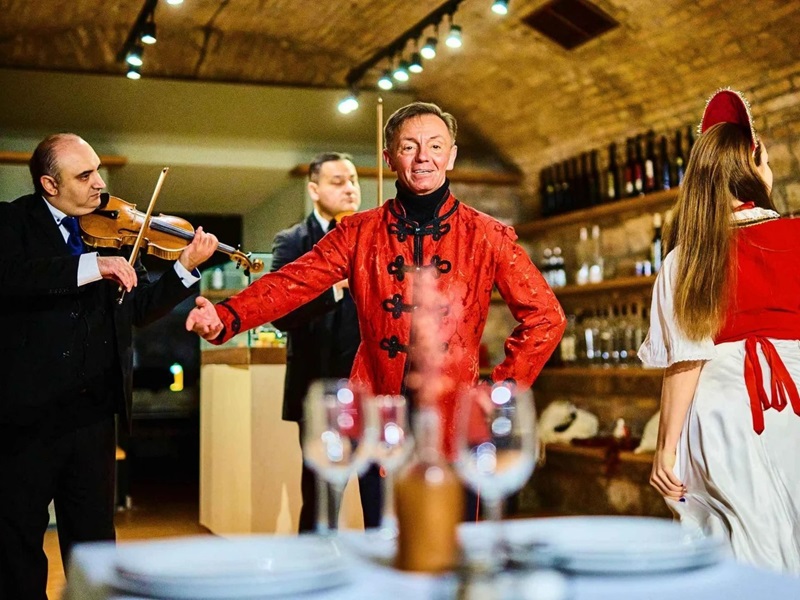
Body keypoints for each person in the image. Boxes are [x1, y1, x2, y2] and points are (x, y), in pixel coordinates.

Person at [187, 101, 565, 467]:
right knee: (379, 514)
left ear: (450, 156)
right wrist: (227, 315)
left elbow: (546, 317)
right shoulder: (358, 231)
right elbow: (293, 281)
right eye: (409, 147)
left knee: (451, 516)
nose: (423, 157)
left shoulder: (487, 234)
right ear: (389, 158)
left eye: (435, 146)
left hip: (457, 421)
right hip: (378, 417)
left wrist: (498, 393)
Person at [0, 133, 218, 599]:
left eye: (98, 170)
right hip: (26, 418)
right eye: (84, 176)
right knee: (17, 542)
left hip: (94, 416)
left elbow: (136, 308)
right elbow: (12, 275)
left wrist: (184, 266)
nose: (100, 183)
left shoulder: (109, 230)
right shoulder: (12, 221)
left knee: (95, 542)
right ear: (49, 184)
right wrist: (91, 265)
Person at [640, 89, 800, 573]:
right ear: (755, 163)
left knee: (737, 558)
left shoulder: (686, 260)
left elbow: (686, 361)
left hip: (722, 413)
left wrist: (665, 448)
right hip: (794, 400)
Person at [270, 152, 381, 532]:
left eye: (353, 180)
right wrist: (335, 288)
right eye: (338, 182)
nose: (350, 189)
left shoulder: (375, 236)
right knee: (321, 500)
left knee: (377, 495)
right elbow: (280, 312)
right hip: (319, 388)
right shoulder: (293, 242)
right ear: (314, 190)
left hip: (371, 388)